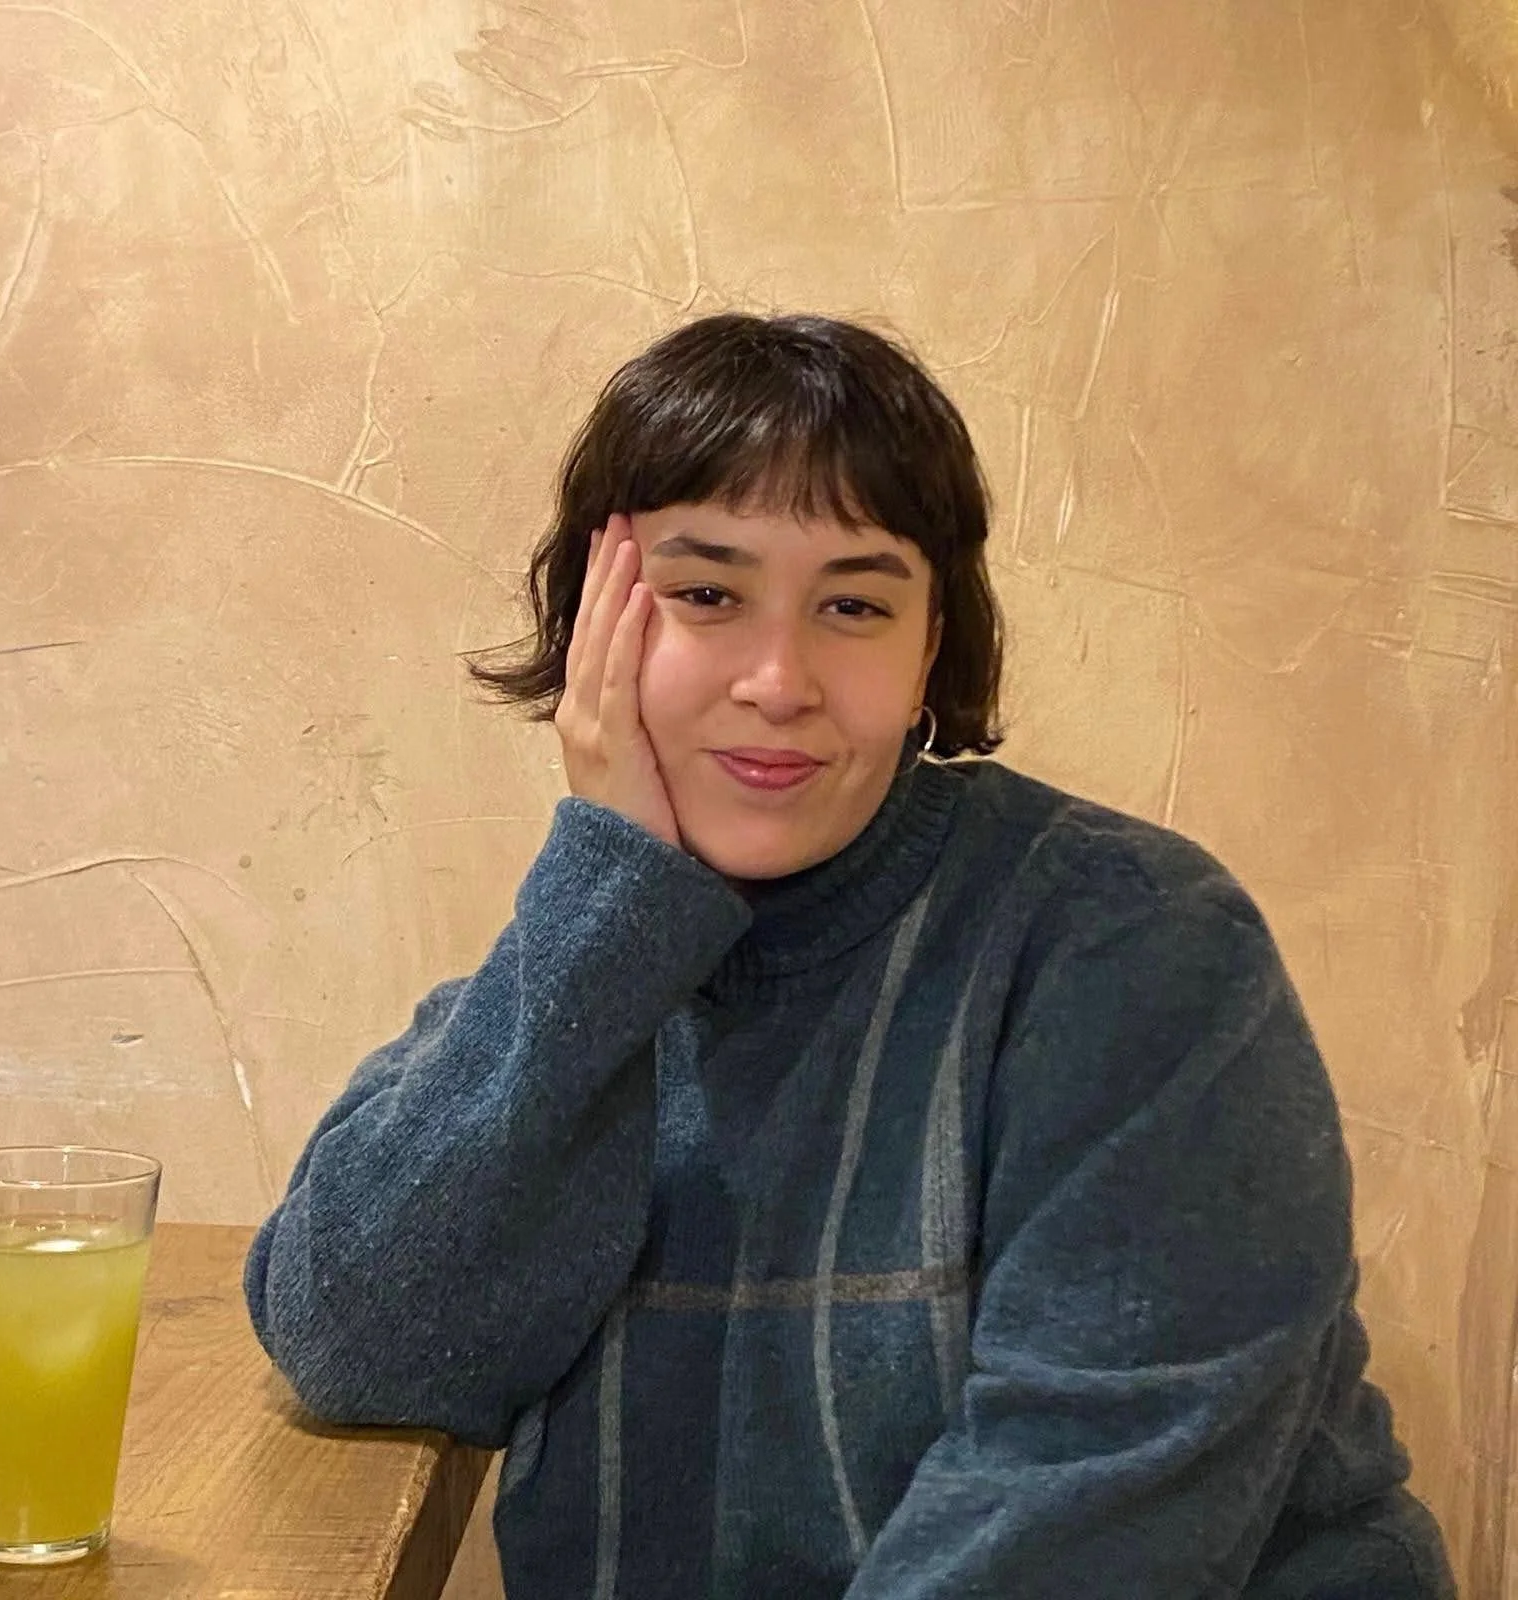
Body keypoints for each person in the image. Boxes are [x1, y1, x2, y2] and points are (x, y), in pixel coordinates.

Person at [243, 313, 1457, 1599]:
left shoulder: (1135, 942)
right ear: (592, 617)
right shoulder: (602, 951)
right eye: (706, 594)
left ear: (930, 644)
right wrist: (609, 895)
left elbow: (1085, 1508)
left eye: (854, 606)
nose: (779, 679)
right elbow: (359, 1345)